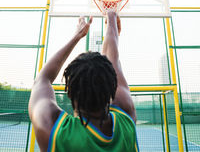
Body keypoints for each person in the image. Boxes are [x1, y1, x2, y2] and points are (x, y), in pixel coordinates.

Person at [28, 11, 139, 151]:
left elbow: (42, 79)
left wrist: (77, 36)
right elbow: (113, 60)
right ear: (113, 88)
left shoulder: (54, 130)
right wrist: (111, 21)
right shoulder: (126, 118)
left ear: (70, 92)